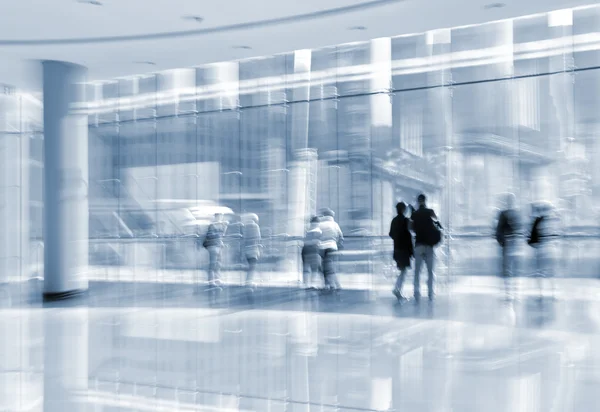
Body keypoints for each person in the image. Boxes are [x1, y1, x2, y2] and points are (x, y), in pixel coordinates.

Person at [409, 194, 441, 302]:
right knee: (430, 272)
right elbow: (437, 222)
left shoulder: (414, 214)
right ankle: (430, 293)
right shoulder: (430, 212)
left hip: (418, 245)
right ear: (425, 201)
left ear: (418, 202)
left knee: (417, 271)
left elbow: (411, 228)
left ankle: (416, 292)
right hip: (429, 246)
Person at [528, 201, 559, 300]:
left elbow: (531, 239)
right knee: (551, 272)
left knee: (541, 272)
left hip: (541, 249)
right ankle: (553, 293)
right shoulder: (554, 221)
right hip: (550, 249)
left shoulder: (537, 220)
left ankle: (540, 293)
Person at [495, 193, 520, 300]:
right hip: (510, 244)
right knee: (509, 268)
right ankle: (509, 292)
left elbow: (498, 230)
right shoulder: (513, 214)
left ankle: (508, 292)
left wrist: (502, 241)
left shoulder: (505, 214)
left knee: (508, 268)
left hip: (508, 244)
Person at [389, 202, 414, 302]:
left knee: (402, 270)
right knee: (403, 271)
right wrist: (411, 251)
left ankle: (398, 290)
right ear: (403, 209)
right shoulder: (406, 220)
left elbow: (391, 234)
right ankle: (397, 289)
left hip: (397, 249)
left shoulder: (394, 220)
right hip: (404, 250)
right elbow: (410, 235)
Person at [319, 208, 344, 292]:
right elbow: (340, 236)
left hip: (323, 248)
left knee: (325, 267)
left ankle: (331, 285)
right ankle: (332, 285)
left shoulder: (320, 224)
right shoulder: (335, 224)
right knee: (330, 267)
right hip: (333, 247)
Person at [203, 213, 228, 286]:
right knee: (213, 263)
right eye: (219, 216)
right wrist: (219, 233)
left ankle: (217, 279)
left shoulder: (221, 225)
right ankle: (211, 280)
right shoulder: (212, 225)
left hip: (218, 245)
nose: (220, 218)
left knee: (218, 264)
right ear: (216, 217)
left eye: (221, 217)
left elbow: (222, 235)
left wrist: (225, 227)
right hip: (213, 246)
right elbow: (211, 235)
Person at [302, 216, 322, 289]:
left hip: (306, 251)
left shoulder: (307, 231)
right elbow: (317, 242)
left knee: (307, 268)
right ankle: (312, 284)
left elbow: (305, 241)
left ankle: (306, 284)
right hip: (314, 251)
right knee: (314, 269)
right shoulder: (318, 231)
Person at [242, 213, 262, 288]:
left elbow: (244, 239)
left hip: (247, 249)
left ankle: (248, 281)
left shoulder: (245, 227)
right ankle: (249, 281)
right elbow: (258, 238)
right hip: (253, 249)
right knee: (252, 266)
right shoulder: (255, 226)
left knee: (250, 266)